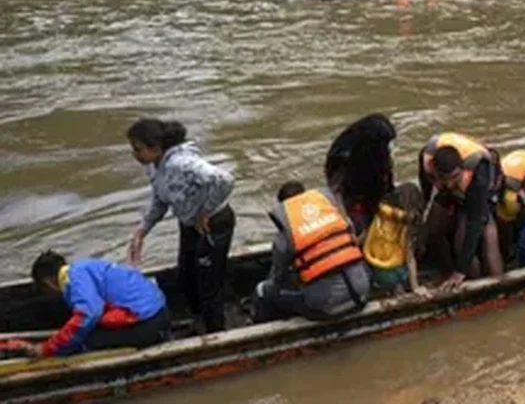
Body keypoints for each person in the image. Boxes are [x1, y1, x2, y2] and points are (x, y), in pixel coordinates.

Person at [126, 119, 235, 334]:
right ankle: (199, 321)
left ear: (155, 147)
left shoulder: (181, 163)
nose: (135, 155)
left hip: (213, 223)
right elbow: (160, 201)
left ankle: (217, 333)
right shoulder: (154, 167)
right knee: (185, 276)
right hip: (189, 223)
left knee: (208, 285)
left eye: (138, 150)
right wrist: (141, 231)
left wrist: (206, 209)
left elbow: (225, 180)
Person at [252, 182, 371, 322]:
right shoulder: (336, 216)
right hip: (363, 292)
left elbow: (278, 278)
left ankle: (265, 326)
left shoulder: (283, 240)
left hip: (326, 309)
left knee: (262, 290)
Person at [19, 251, 170, 357]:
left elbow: (88, 314)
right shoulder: (84, 267)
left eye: (43, 290)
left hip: (149, 323)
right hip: (159, 311)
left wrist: (47, 348)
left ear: (48, 284)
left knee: (85, 342)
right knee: (81, 333)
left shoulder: (75, 278)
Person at [419, 132, 504, 290]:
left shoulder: (478, 172)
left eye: (454, 177)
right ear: (434, 169)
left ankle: (481, 285)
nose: (450, 183)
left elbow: (475, 220)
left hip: (481, 194)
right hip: (453, 192)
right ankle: (446, 273)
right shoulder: (427, 159)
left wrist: (461, 271)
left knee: (470, 240)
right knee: (433, 229)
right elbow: (426, 190)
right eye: (446, 179)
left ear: (460, 170)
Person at [361, 184, 430, 297]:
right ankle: (397, 288)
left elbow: (364, 237)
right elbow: (410, 258)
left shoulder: (381, 214)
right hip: (391, 272)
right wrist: (415, 287)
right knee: (399, 273)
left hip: (372, 266)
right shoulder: (407, 224)